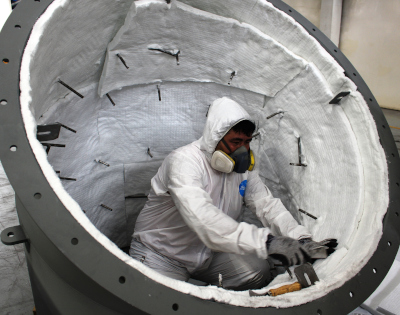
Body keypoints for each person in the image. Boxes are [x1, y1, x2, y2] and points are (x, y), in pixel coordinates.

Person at [130, 97, 336, 290]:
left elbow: (266, 205)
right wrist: (269, 243)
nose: (244, 150)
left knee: (259, 271)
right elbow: (203, 219)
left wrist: (301, 239)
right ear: (214, 138)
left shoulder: (243, 171)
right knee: (156, 304)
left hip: (208, 256)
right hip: (161, 255)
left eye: (247, 142)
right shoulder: (184, 162)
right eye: (236, 142)